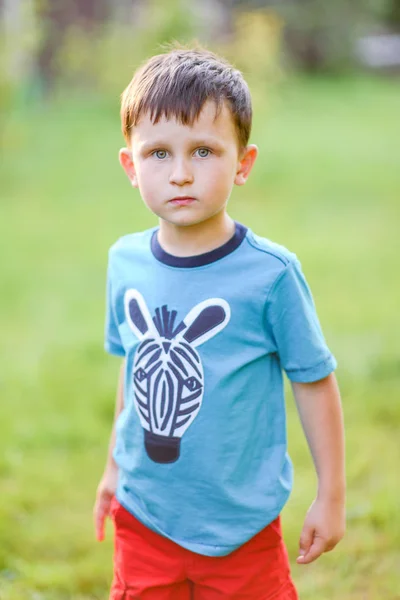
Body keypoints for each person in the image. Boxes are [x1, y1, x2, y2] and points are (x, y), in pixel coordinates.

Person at [93, 44, 346, 600]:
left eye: (203, 151)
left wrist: (331, 494)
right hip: (143, 516)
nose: (181, 174)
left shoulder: (272, 275)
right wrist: (114, 469)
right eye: (159, 153)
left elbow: (313, 381)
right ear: (131, 166)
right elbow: (136, 375)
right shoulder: (124, 263)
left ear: (243, 162)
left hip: (242, 530)